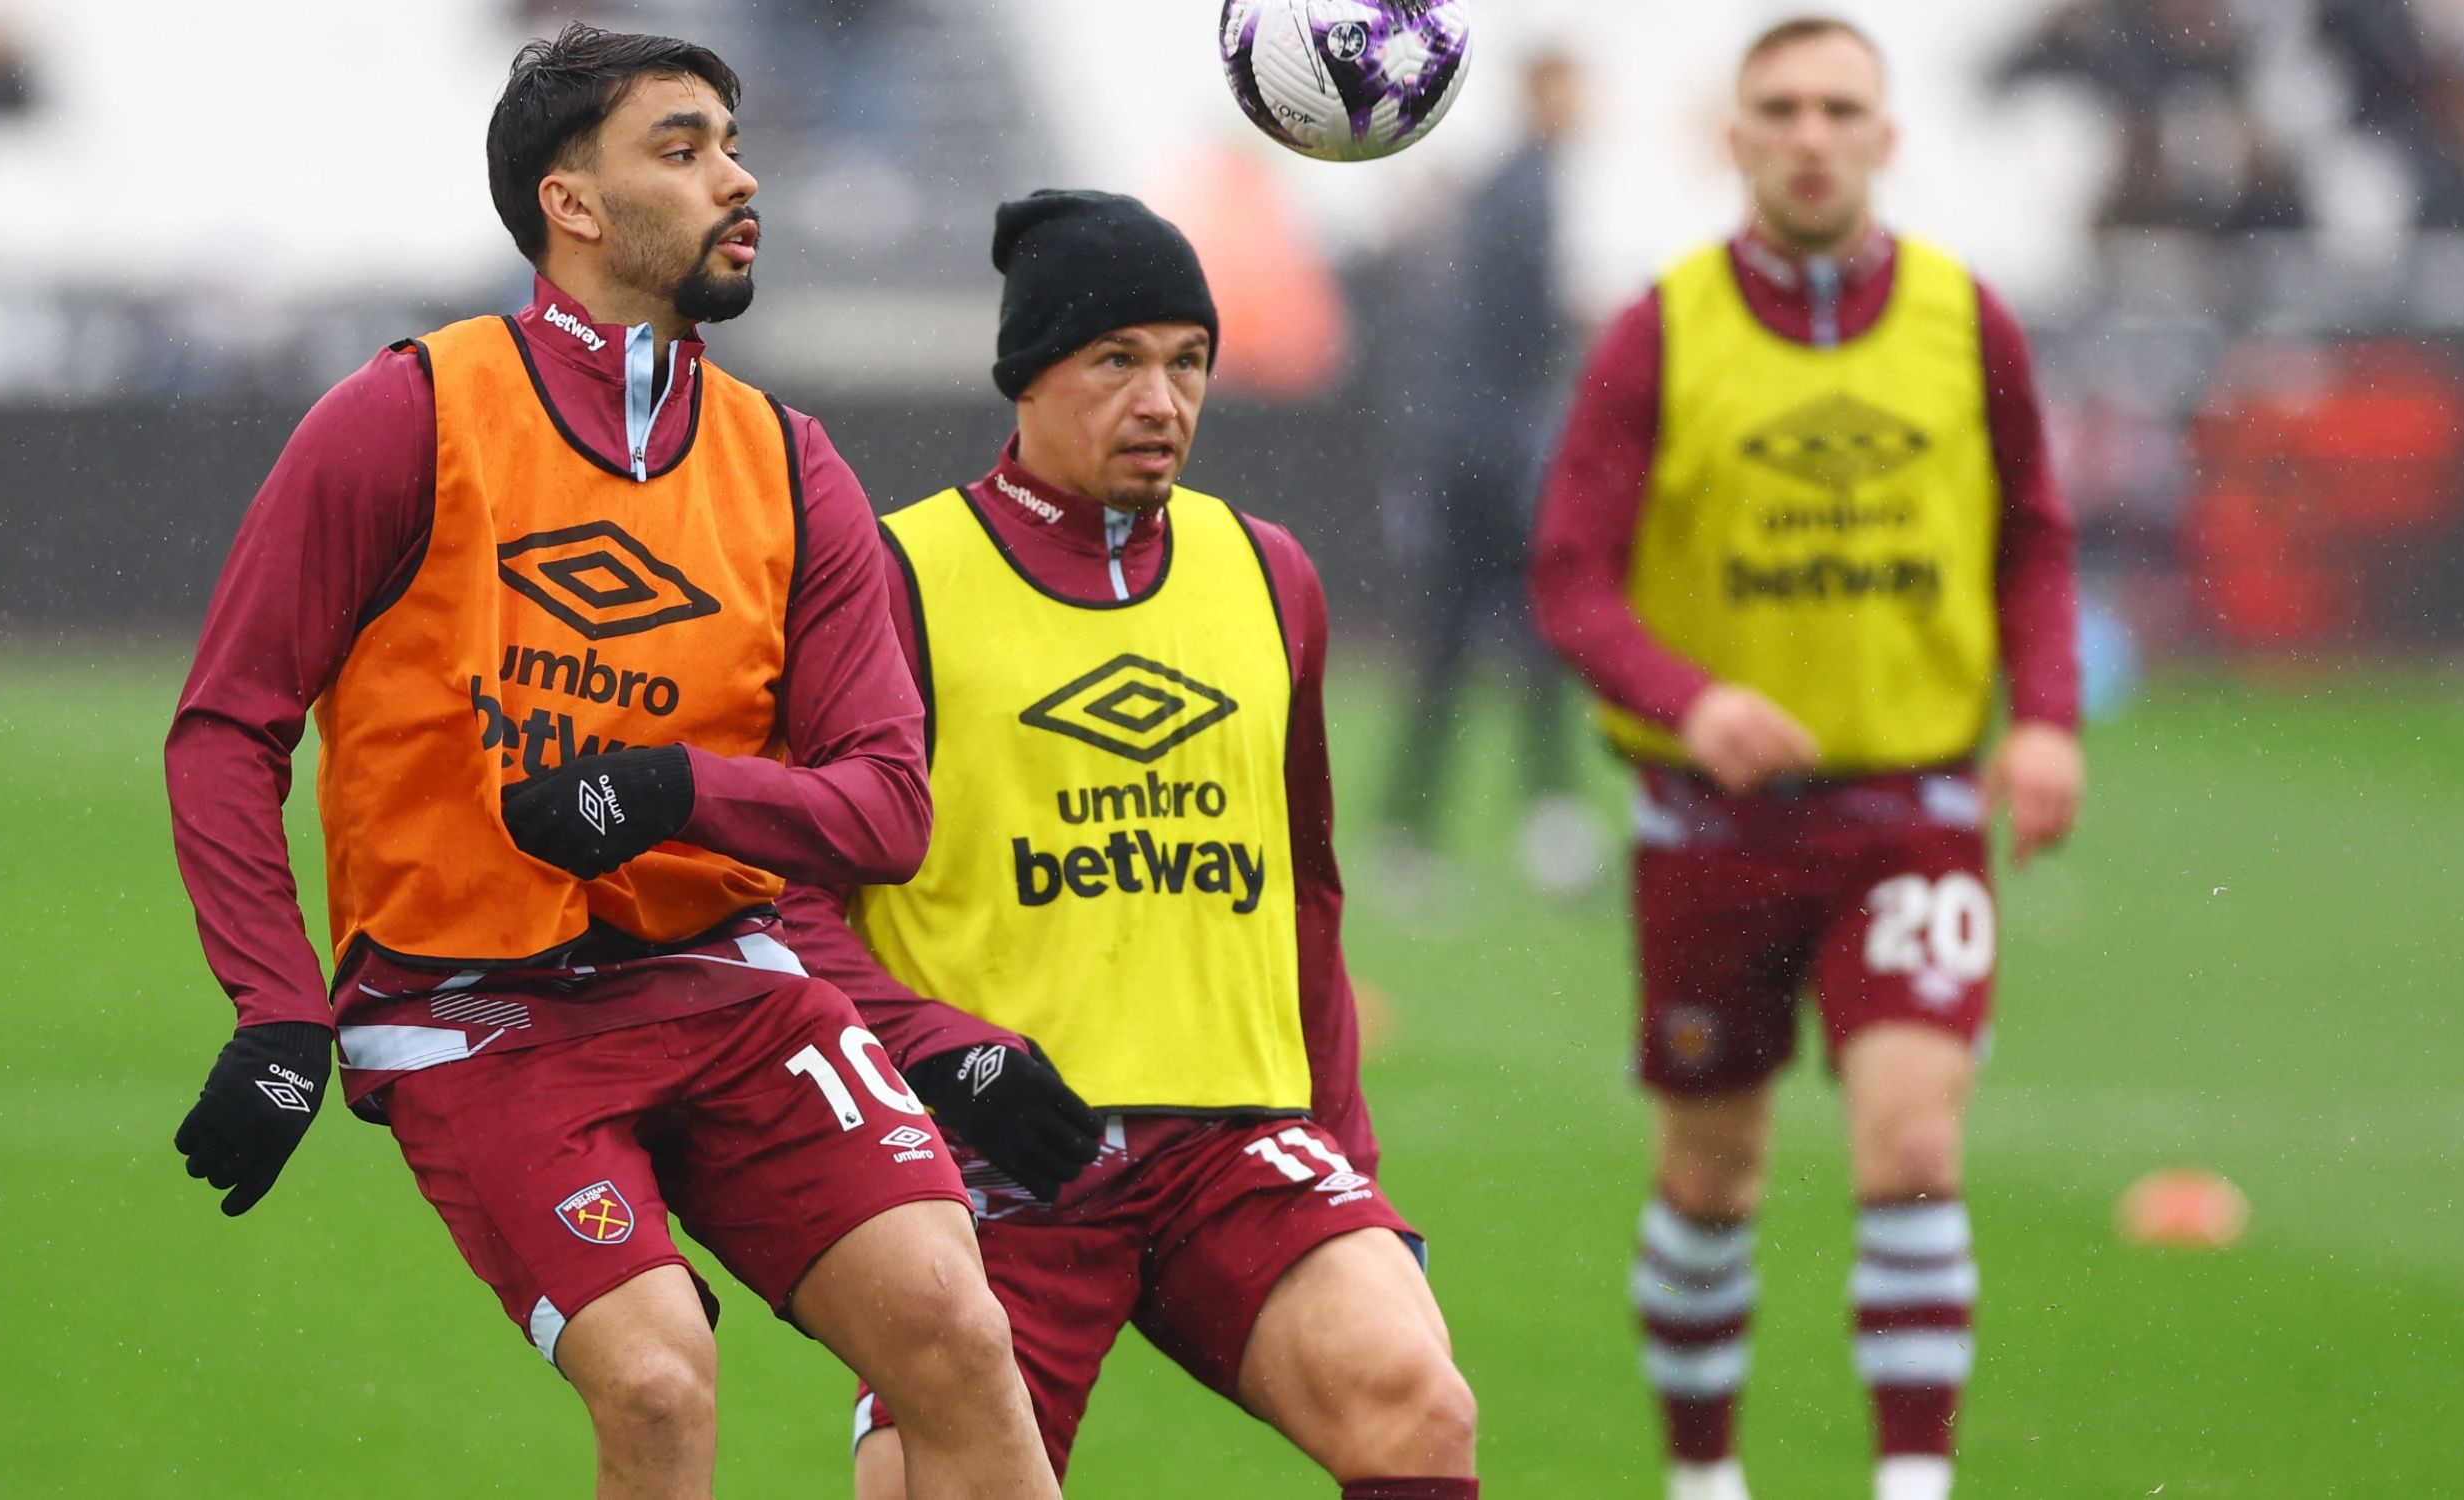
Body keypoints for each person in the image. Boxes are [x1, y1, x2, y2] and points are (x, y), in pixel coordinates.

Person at [160, 27, 1055, 1499]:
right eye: (685, 148)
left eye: (734, 142)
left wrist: (669, 790)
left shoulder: (790, 463)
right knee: (653, 1377)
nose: (739, 177)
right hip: (469, 1010)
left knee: (956, 1330)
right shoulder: (408, 411)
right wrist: (275, 1016)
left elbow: (888, 810)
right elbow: (229, 723)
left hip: (724, 980)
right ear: (570, 203)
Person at [781, 190, 1480, 1500]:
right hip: (999, 1160)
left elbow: (1307, 900)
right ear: (1029, 375)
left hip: (1231, 1146)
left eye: (1188, 360)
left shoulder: (1272, 575)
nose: (1162, 398)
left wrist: (1355, 1168)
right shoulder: (894, 577)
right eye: (1118, 359)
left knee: (1415, 1400)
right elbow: (788, 906)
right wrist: (950, 1056)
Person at [1527, 19, 2082, 1500]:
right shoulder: (1660, 331)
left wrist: (2045, 718)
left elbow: (2033, 534)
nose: (1814, 133)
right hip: (1712, 826)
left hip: (1913, 810)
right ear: (1737, 137)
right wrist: (1689, 696)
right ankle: (1704, 1480)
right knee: (1713, 1174)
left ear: (1888, 136)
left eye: (1844, 107)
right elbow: (1571, 574)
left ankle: (1913, 1485)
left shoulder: (1971, 324)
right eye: (1782, 108)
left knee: (1910, 1143)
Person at [1379, 47, 1602, 900]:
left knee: (1469, 649)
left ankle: (1431, 831)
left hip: (1473, 452)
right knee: (1484, 646)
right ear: (1541, 91)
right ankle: (1514, 828)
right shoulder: (1524, 189)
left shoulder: (1510, 185)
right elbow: (1518, 327)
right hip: (1490, 461)